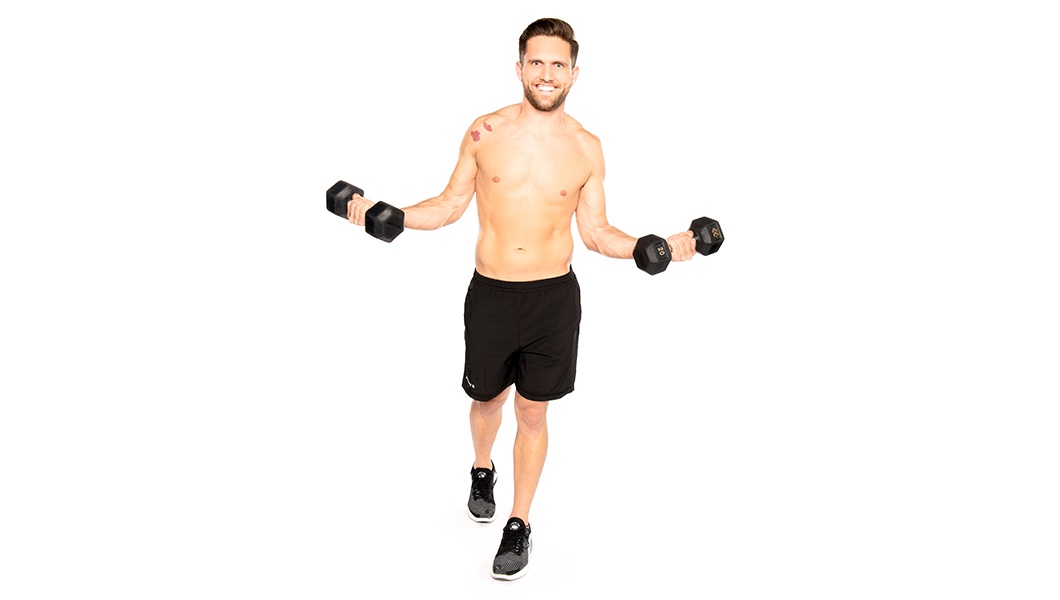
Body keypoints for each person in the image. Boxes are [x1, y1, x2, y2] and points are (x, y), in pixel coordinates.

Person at [346, 17, 699, 580]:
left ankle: (519, 522)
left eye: (558, 64)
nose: (546, 73)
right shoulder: (484, 131)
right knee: (487, 402)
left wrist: (651, 247)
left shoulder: (586, 148)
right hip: (490, 294)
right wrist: (393, 217)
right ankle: (481, 466)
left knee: (533, 411)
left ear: (574, 74)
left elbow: (597, 233)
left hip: (553, 301)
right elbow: (448, 204)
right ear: (519, 68)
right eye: (536, 62)